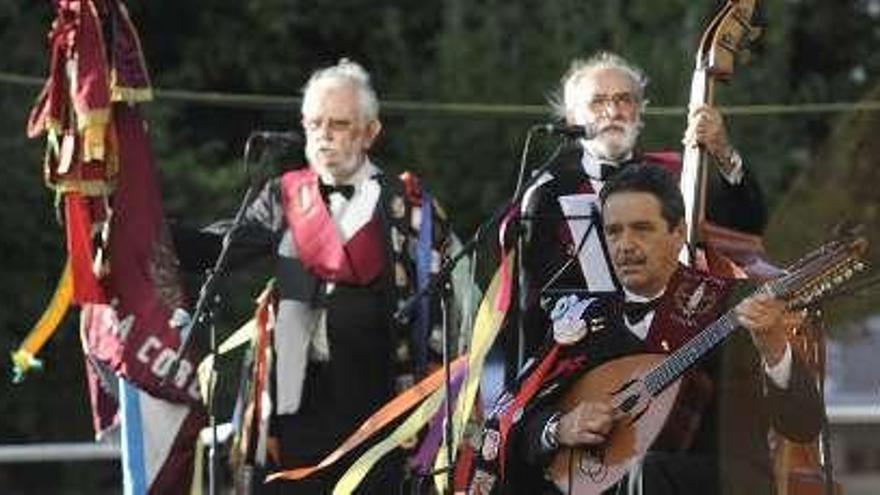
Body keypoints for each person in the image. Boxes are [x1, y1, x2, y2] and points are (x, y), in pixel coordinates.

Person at [176, 59, 457, 493]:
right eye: (314, 123)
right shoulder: (284, 195)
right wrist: (139, 230)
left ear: (370, 132)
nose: (324, 134)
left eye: (339, 124)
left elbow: (444, 317)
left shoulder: (409, 208)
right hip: (292, 408)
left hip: (378, 406)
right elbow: (218, 248)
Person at [478, 165, 822, 494]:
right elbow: (520, 420)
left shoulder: (731, 303)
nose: (625, 245)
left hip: (720, 481)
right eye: (613, 231)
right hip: (607, 479)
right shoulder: (584, 317)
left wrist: (775, 347)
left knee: (645, 472)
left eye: (641, 228)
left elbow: (802, 424)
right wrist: (558, 428)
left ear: (678, 233)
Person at [509, 50, 769, 374]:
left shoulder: (678, 175)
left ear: (639, 112)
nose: (613, 111)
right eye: (598, 101)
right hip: (585, 366)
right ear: (574, 119)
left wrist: (723, 152)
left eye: (624, 99)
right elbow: (533, 307)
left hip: (682, 352)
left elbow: (747, 224)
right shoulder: (548, 192)